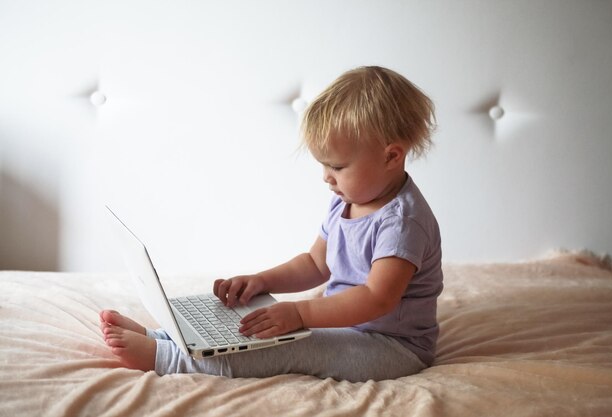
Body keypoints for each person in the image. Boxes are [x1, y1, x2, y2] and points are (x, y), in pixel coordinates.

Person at [100, 65, 443, 382]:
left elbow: (376, 299)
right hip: (344, 324)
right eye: (323, 165)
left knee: (292, 344)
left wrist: (300, 313)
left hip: (390, 346)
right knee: (263, 325)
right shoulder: (346, 201)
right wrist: (262, 281)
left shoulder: (402, 222)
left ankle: (170, 360)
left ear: (391, 156)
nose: (326, 177)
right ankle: (164, 337)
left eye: (337, 167)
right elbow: (314, 263)